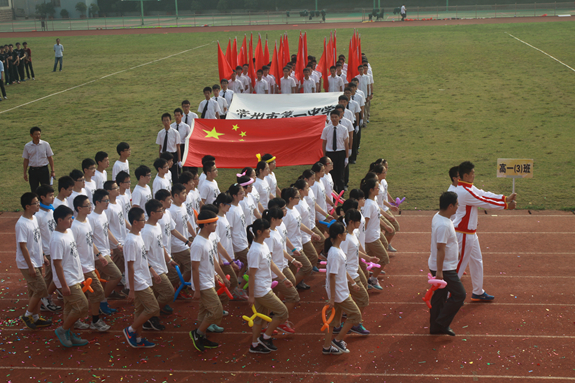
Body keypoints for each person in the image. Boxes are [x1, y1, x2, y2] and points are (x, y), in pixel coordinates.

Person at [453, 161, 517, 301]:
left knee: (477, 261)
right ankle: (448, 295)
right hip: (464, 233)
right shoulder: (465, 192)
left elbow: (483, 194)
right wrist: (506, 205)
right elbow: (484, 201)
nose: (474, 175)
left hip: (470, 233)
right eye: (472, 173)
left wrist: (504, 198)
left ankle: (478, 291)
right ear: (465, 175)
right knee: (461, 263)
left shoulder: (467, 188)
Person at [246, 218, 293, 354]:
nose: (269, 231)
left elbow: (271, 264)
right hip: (261, 290)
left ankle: (254, 344)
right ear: (259, 231)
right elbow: (252, 275)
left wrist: (284, 279)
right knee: (282, 312)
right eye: (267, 229)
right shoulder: (255, 251)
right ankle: (265, 337)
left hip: (265, 287)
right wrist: (251, 296)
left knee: (260, 317)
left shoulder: (263, 244)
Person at [189, 209, 230, 352]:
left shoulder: (207, 240)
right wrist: (197, 290)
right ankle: (198, 333)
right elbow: (194, 268)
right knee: (216, 311)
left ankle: (202, 337)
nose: (216, 225)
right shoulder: (198, 244)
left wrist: (222, 276)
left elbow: (212, 260)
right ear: (206, 225)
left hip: (208, 281)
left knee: (204, 311)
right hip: (203, 284)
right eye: (214, 223)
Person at [71, 195, 112, 332]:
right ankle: (95, 320)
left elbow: (90, 241)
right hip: (83, 266)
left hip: (89, 263)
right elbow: (74, 249)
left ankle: (76, 320)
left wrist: (99, 255)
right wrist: (80, 267)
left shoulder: (86, 221)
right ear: (79, 208)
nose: (90, 207)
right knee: (97, 292)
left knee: (88, 294)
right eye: (87, 205)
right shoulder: (75, 227)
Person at [51, 205, 90, 347]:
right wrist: (64, 285)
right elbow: (57, 264)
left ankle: (70, 334)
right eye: (69, 219)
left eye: (71, 218)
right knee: (82, 306)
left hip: (75, 276)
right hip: (68, 279)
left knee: (69, 308)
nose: (71, 221)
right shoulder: (56, 239)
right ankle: (63, 330)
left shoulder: (68, 232)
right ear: (60, 220)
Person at [322, 221, 362, 355]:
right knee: (355, 315)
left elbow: (342, 270)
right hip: (339, 293)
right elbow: (332, 276)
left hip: (340, 290)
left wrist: (352, 283)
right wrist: (332, 298)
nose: (346, 233)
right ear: (339, 236)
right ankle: (338, 340)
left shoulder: (338, 251)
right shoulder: (335, 253)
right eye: (344, 232)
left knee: (332, 321)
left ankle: (327, 347)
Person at [428, 191, 466, 336]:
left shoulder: (440, 216)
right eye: (457, 205)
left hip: (443, 265)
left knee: (439, 297)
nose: (458, 207)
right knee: (459, 295)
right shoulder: (443, 224)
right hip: (444, 268)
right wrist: (439, 271)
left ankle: (435, 327)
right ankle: (441, 322)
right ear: (450, 206)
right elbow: (440, 248)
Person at [123, 207, 160, 348]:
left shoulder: (138, 236)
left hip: (143, 277)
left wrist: (153, 272)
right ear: (134, 222)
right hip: (138, 281)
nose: (144, 222)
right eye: (142, 220)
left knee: (139, 310)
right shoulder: (131, 241)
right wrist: (131, 289)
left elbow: (143, 259)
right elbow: (130, 267)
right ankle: (130, 330)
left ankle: (138, 339)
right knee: (153, 308)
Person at [17, 192, 53, 330]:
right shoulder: (22, 224)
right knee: (40, 289)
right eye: (36, 203)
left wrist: (42, 256)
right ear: (27, 206)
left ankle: (36, 317)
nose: (39, 205)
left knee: (34, 291)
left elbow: (37, 241)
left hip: (37, 260)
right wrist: (30, 266)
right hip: (28, 263)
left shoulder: (33, 219)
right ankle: (27, 315)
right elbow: (23, 246)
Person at [142, 199, 178, 328]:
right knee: (168, 292)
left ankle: (152, 317)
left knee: (159, 294)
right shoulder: (146, 231)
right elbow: (143, 255)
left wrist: (169, 260)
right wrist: (152, 271)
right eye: (160, 211)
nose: (162, 213)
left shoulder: (156, 226)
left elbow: (160, 245)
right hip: (154, 268)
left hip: (161, 265)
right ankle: (150, 316)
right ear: (152, 213)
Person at [89, 189, 125, 310]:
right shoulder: (91, 218)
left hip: (105, 252)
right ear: (97, 202)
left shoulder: (103, 214)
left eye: (108, 200)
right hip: (99, 254)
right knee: (117, 275)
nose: (108, 203)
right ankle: (100, 300)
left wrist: (116, 243)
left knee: (105, 279)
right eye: (105, 201)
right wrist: (98, 254)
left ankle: (102, 302)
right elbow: (90, 239)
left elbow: (106, 231)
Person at [35, 185, 61, 313]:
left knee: (53, 276)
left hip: (55, 248)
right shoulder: (38, 215)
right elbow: (38, 237)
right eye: (50, 195)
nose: (53, 198)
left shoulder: (51, 211)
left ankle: (46, 298)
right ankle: (45, 300)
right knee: (51, 277)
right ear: (42, 197)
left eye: (53, 194)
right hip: (48, 251)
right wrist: (43, 254)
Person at [360, 177, 388, 289]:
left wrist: (385, 226)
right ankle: (372, 279)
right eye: (377, 187)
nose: (379, 189)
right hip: (370, 238)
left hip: (373, 235)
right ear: (371, 190)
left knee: (366, 260)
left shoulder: (372, 202)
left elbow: (375, 217)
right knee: (384, 258)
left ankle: (365, 278)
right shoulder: (368, 204)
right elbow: (364, 223)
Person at [166, 183, 193, 293]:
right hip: (178, 244)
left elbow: (187, 222)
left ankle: (178, 288)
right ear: (175, 195)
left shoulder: (182, 206)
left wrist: (194, 236)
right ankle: (178, 287)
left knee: (180, 269)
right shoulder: (172, 210)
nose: (185, 195)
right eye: (183, 193)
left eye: (185, 193)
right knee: (192, 266)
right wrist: (186, 241)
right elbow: (172, 230)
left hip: (184, 242)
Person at [104, 180, 128, 278]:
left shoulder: (118, 202)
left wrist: (133, 229)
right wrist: (115, 243)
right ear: (108, 191)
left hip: (123, 239)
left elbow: (123, 219)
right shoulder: (108, 208)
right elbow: (106, 227)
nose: (118, 189)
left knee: (119, 268)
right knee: (129, 263)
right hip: (117, 243)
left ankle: (116, 287)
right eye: (115, 188)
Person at [321, 111, 349, 193]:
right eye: (332, 117)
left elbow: (346, 143)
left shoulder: (344, 129)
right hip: (330, 153)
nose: (334, 119)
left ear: (339, 117)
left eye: (336, 117)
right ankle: (332, 193)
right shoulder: (326, 129)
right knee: (331, 174)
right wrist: (324, 155)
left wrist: (346, 157)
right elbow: (324, 143)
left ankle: (341, 193)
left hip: (340, 153)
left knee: (340, 175)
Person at [23, 127, 56, 193]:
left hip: (44, 170)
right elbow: (26, 160)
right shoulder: (27, 146)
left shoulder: (45, 144)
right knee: (34, 190)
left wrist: (52, 171)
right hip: (33, 171)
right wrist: (24, 173)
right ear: (31, 135)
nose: (38, 136)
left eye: (39, 134)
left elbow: (50, 158)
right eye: (36, 134)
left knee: (47, 190)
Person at [156, 113, 181, 182]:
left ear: (170, 121)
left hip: (172, 155)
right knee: (164, 174)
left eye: (167, 120)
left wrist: (179, 160)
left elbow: (178, 146)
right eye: (164, 120)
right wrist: (160, 157)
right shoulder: (160, 133)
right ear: (162, 122)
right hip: (164, 155)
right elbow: (160, 146)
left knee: (175, 175)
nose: (166, 122)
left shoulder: (175, 132)